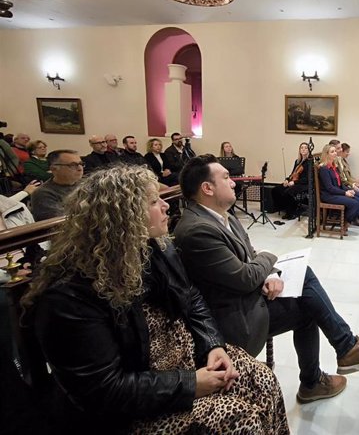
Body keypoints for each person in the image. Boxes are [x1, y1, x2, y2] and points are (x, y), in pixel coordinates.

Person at [23, 165, 290, 434]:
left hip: (184, 359)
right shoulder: (70, 295)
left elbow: (191, 297)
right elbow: (103, 389)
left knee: (262, 380)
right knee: (240, 418)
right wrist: (191, 384)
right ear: (121, 217)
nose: (166, 206)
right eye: (153, 201)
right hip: (140, 398)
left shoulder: (155, 248)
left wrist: (213, 345)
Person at [174, 155, 359, 404]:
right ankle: (332, 362)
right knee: (308, 303)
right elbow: (246, 276)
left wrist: (269, 274)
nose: (233, 182)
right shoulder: (197, 230)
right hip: (233, 321)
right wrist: (270, 258)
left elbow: (250, 256)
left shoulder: (222, 215)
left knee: (305, 285)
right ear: (207, 188)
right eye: (226, 177)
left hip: (244, 298)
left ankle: (335, 359)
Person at [318, 144, 359, 227]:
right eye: (332, 152)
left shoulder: (334, 167)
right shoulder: (324, 169)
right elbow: (330, 188)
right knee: (354, 203)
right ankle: (346, 221)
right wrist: (345, 193)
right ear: (326, 154)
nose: (335, 153)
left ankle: (351, 219)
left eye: (335, 151)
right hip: (329, 195)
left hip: (336, 192)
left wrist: (348, 190)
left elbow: (339, 184)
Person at [31, 150, 84, 221]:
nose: (80, 168)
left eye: (81, 164)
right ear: (54, 169)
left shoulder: (85, 184)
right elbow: (59, 223)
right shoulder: (43, 193)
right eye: (73, 165)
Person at [272, 142, 310, 220]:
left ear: (308, 150)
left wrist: (294, 182)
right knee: (275, 190)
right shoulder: (297, 161)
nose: (303, 149)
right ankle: (284, 208)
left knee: (288, 192)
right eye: (301, 148)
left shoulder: (309, 162)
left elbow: (307, 178)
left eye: (305, 148)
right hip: (294, 181)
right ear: (299, 150)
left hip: (303, 184)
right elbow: (293, 173)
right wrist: (287, 180)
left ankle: (292, 212)